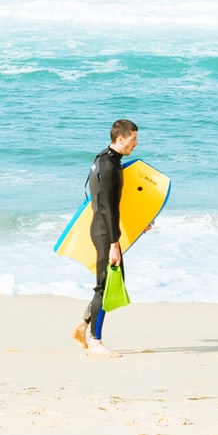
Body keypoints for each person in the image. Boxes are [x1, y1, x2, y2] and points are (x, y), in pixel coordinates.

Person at [73, 119, 138, 357]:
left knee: (108, 284)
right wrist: (113, 243)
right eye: (133, 139)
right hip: (104, 231)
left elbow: (116, 202)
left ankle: (82, 326)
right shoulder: (108, 166)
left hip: (104, 229)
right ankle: (95, 343)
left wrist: (142, 221)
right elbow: (105, 207)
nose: (136, 144)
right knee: (105, 286)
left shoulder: (105, 160)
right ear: (120, 138)